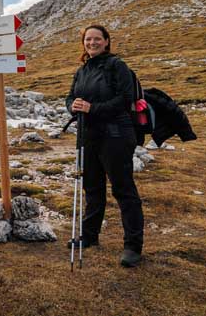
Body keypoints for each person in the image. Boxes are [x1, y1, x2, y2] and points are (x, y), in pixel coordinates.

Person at [65, 24, 144, 268]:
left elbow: (125, 99)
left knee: (123, 189)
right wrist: (73, 106)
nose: (92, 43)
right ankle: (89, 236)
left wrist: (92, 108)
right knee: (92, 187)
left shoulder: (117, 66)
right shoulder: (82, 69)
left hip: (117, 135)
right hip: (89, 135)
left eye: (97, 39)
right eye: (88, 40)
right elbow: (70, 97)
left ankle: (133, 246)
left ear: (107, 41)